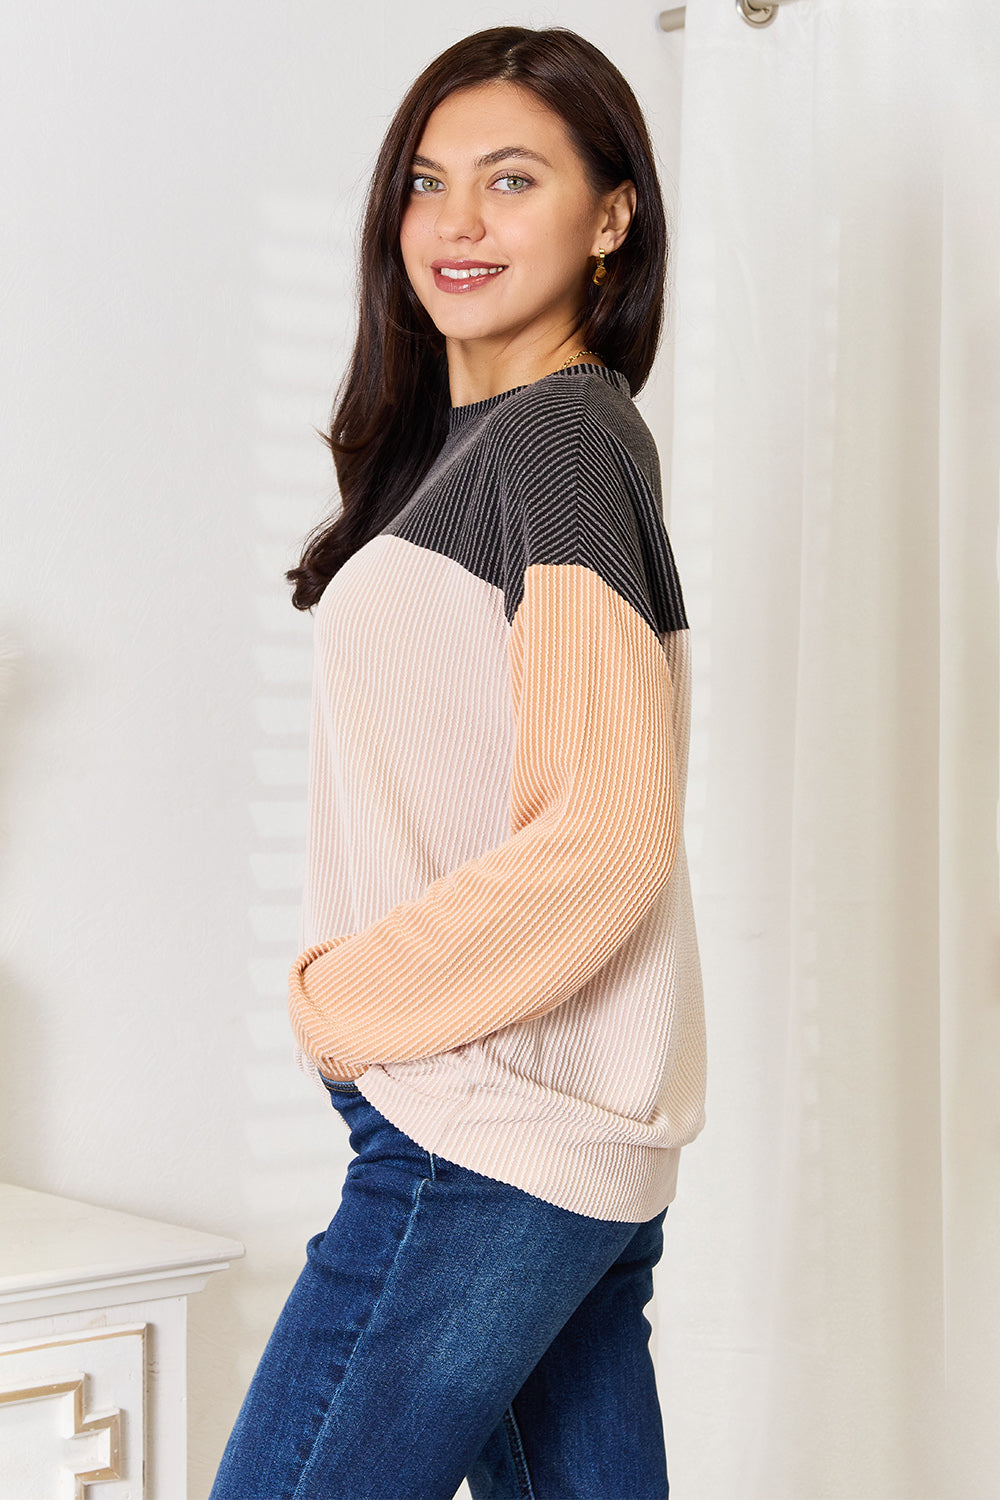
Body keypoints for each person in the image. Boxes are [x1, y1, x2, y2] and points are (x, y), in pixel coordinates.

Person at [210, 24, 706, 1500]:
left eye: (512, 179)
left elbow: (610, 831)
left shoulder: (555, 441)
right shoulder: (483, 450)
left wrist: (344, 1001)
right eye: (428, 184)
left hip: (481, 1129)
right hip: (550, 1129)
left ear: (610, 216)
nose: (459, 223)